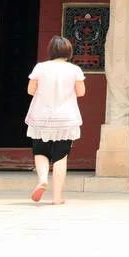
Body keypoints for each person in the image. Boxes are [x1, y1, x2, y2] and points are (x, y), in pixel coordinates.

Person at [24, 35, 86, 204]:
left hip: (41, 116)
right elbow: (81, 92)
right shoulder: (74, 70)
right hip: (66, 118)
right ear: (69, 51)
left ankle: (43, 179)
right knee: (60, 156)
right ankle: (57, 197)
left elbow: (30, 90)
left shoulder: (40, 67)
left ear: (50, 50)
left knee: (40, 151)